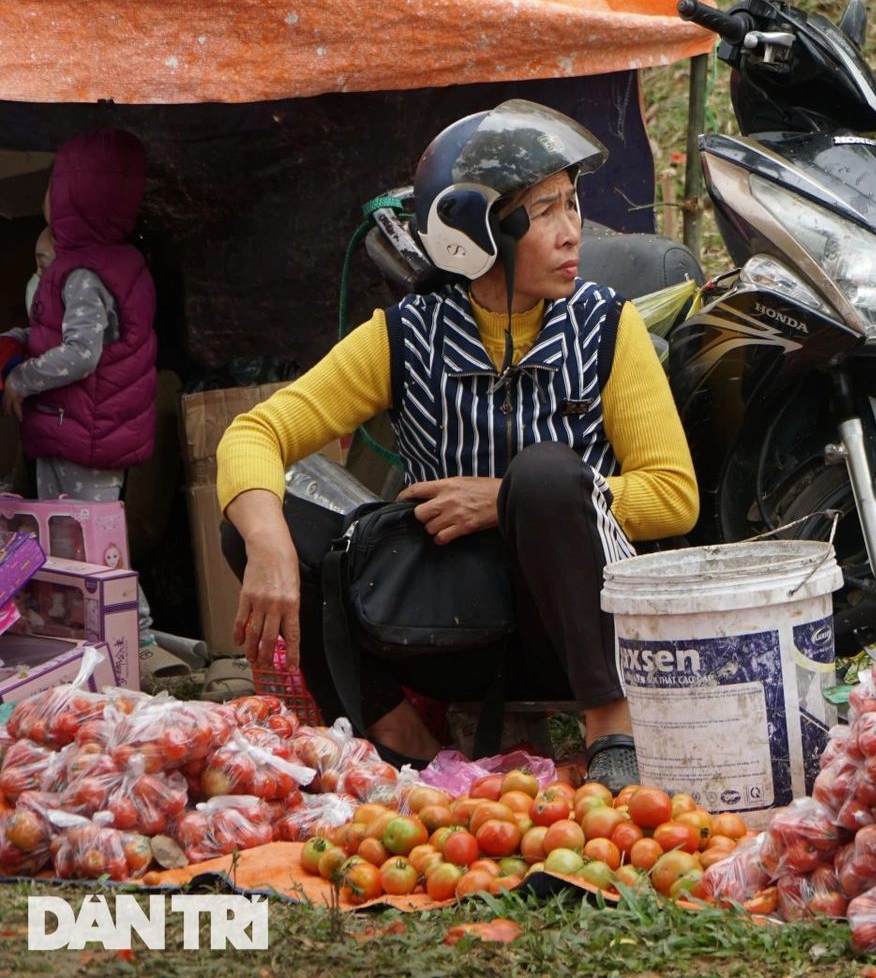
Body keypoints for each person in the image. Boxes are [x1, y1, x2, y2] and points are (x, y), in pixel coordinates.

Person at [217, 101, 698, 787]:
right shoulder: (404, 335)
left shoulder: (607, 327)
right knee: (265, 518)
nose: (573, 232)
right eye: (547, 210)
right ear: (479, 232)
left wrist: (508, 502)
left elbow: (675, 498)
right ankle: (397, 738)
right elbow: (256, 432)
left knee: (545, 476)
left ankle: (608, 731)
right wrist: (268, 547)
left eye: (573, 204)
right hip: (445, 628)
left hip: (574, 633)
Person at [0, 129, 176, 682]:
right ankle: (111, 643)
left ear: (78, 196)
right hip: (81, 429)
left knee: (92, 544)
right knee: (85, 540)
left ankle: (138, 644)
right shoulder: (112, 262)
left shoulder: (82, 274)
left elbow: (81, 353)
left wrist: (22, 379)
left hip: (85, 432)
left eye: (57, 184)